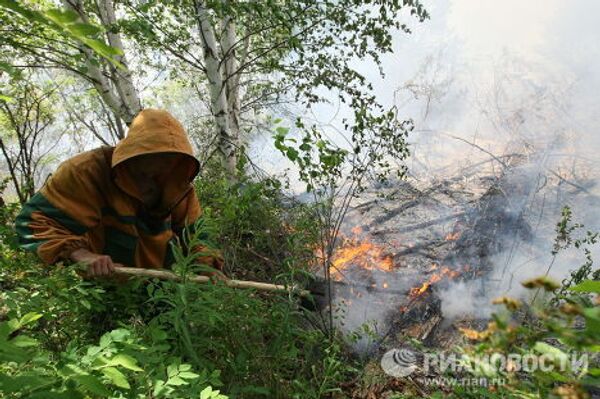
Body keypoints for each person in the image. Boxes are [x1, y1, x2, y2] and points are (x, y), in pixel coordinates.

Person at [15, 108, 224, 279]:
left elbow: (196, 235)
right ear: (135, 150)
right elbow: (34, 222)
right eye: (157, 155)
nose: (165, 164)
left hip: (159, 285)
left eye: (172, 157)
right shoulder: (86, 172)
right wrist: (81, 255)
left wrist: (209, 268)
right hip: (102, 286)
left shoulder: (176, 183)